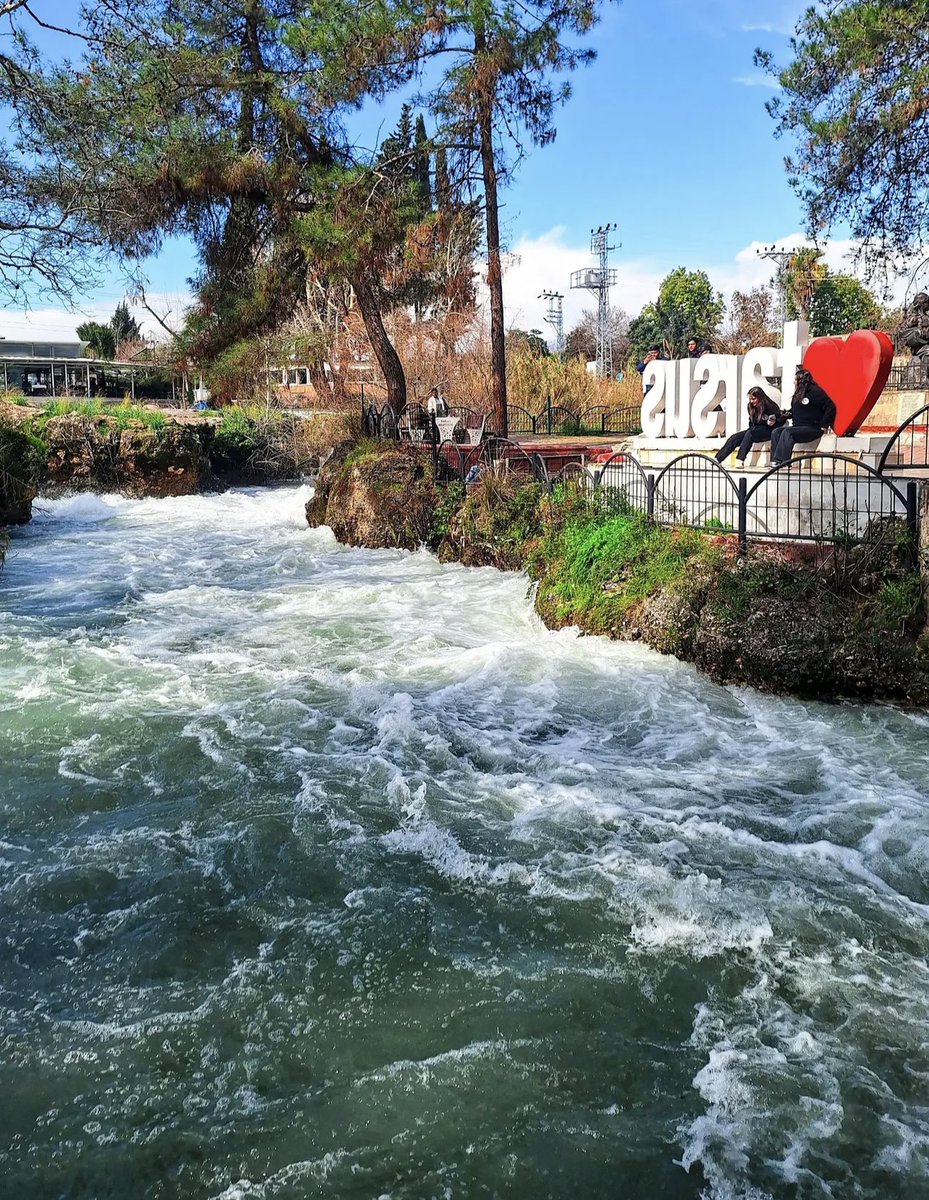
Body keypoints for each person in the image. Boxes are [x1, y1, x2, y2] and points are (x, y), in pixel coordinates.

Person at [770, 367, 836, 463]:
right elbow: (795, 411)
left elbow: (831, 407)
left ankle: (784, 462)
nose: (794, 382)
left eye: (795, 380)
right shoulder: (799, 393)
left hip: (812, 428)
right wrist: (783, 415)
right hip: (798, 427)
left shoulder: (816, 392)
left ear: (801, 380)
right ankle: (775, 462)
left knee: (788, 432)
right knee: (776, 432)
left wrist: (824, 425)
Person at [714, 387, 785, 466]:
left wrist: (773, 422)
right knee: (734, 438)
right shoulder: (751, 407)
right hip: (754, 429)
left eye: (754, 399)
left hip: (768, 430)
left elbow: (780, 419)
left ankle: (740, 459)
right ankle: (718, 459)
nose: (751, 401)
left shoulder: (770, 406)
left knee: (750, 434)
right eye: (750, 399)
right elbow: (752, 422)